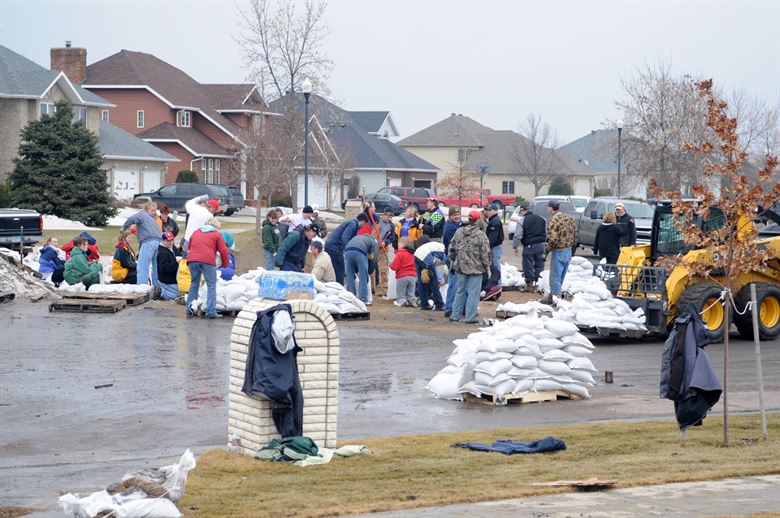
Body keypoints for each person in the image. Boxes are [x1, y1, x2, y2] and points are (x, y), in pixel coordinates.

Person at [448, 210, 492, 324]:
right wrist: (487, 267)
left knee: (460, 291)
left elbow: (451, 248)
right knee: (473, 293)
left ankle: (455, 315)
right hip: (476, 269)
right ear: (477, 220)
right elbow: (485, 254)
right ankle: (470, 317)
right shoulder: (481, 235)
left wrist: (454, 261)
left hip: (460, 267)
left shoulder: (459, 232)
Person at [185, 217, 230, 318]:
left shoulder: (196, 232)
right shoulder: (217, 234)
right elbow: (223, 251)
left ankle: (189, 309)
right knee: (211, 286)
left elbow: (190, 246)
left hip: (192, 260)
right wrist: (225, 264)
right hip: (207, 261)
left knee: (194, 284)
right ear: (216, 226)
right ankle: (211, 312)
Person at [542, 200, 579, 305]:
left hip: (558, 251)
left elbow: (552, 239)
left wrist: (546, 251)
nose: (547, 208)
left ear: (551, 208)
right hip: (568, 250)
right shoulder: (568, 218)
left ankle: (556, 300)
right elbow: (576, 233)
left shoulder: (554, 220)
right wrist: (573, 248)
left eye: (548, 207)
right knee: (561, 276)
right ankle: (552, 297)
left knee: (554, 277)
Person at [122, 201, 162, 287]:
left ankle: (142, 287)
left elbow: (131, 219)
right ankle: (157, 287)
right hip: (158, 243)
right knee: (156, 267)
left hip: (148, 243)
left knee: (142, 266)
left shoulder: (141, 214)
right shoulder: (153, 220)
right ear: (147, 209)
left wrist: (124, 227)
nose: (154, 213)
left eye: (155, 211)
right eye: (152, 210)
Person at [325, 213, 368, 284]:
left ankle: (334, 285)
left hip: (332, 245)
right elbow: (345, 238)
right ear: (363, 221)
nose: (363, 227)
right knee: (339, 269)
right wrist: (348, 250)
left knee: (334, 268)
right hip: (335, 247)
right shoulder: (353, 224)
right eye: (364, 225)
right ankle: (339, 287)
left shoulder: (352, 223)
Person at [512, 205, 547, 289]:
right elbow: (546, 232)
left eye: (520, 211)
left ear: (524, 211)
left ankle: (529, 285)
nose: (520, 213)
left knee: (528, 265)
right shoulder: (542, 219)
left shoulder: (522, 220)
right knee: (540, 265)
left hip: (529, 246)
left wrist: (515, 246)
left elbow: (517, 236)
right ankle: (539, 284)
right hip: (542, 246)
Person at [343, 233, 379, 304]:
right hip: (360, 252)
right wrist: (370, 270)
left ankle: (351, 298)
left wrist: (356, 270)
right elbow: (374, 258)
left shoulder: (359, 237)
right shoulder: (374, 242)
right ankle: (363, 299)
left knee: (350, 276)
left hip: (347, 251)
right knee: (363, 276)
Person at [414, 236, 446, 311]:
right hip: (425, 256)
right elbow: (446, 263)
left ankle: (424, 304)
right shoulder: (445, 249)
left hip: (417, 254)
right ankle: (439, 304)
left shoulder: (438, 246)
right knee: (433, 281)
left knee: (421, 281)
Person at [442, 206, 464, 317]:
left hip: (458, 257)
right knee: (454, 285)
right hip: (452, 257)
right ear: (450, 216)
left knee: (459, 285)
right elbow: (430, 228)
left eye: (458, 214)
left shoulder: (458, 224)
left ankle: (458, 307)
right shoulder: (449, 227)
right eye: (454, 215)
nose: (457, 216)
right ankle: (449, 308)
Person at [482, 203, 505, 300]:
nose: (487, 212)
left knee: (495, 266)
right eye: (487, 210)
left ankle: (497, 286)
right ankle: (495, 285)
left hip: (495, 246)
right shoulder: (492, 220)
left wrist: (487, 246)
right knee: (494, 266)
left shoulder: (494, 221)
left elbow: (493, 237)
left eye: (489, 210)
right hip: (494, 246)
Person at [389, 236, 418, 307]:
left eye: (399, 243)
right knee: (411, 294)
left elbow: (395, 266)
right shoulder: (413, 254)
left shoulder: (400, 253)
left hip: (402, 276)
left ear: (402, 244)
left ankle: (403, 302)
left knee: (401, 295)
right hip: (412, 276)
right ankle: (412, 300)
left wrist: (391, 266)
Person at [376, 207, 397, 296]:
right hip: (372, 246)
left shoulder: (392, 226)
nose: (389, 218)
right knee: (372, 268)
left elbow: (392, 238)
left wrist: (386, 242)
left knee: (383, 268)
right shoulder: (377, 221)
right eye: (387, 216)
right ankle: (374, 287)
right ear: (383, 215)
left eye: (390, 217)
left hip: (383, 248)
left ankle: (384, 289)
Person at [156, 231, 182, 300]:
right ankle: (161, 292)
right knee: (178, 296)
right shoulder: (162, 253)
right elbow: (165, 268)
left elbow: (179, 254)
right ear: (163, 240)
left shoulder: (172, 247)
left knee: (183, 290)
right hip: (167, 281)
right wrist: (177, 263)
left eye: (172, 240)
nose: (171, 242)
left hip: (174, 278)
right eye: (168, 240)